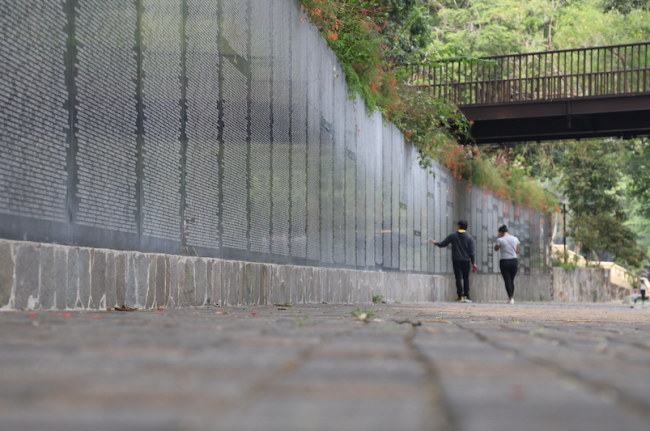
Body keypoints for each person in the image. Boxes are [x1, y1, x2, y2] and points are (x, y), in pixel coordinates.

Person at [429, 220, 477, 302]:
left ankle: (460, 296)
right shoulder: (469, 238)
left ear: (459, 226)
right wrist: (473, 263)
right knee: (466, 278)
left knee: (458, 278)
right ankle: (466, 296)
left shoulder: (453, 236)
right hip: (466, 261)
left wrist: (435, 242)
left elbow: (443, 244)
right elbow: (472, 252)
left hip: (456, 260)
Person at [494, 225, 520, 304]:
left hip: (504, 261)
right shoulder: (515, 239)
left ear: (501, 232)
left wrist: (499, 238)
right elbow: (517, 251)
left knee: (507, 280)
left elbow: (496, 249)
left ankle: (510, 298)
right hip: (514, 261)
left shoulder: (500, 240)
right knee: (511, 280)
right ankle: (511, 297)